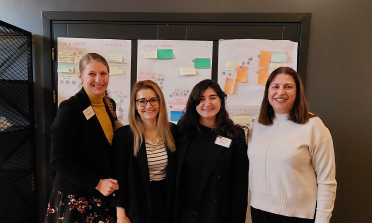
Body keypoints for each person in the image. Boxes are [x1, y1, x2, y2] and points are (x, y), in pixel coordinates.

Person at [248, 67, 337, 223]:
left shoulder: (313, 126)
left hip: (297, 215)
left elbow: (326, 181)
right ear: (267, 91)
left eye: (288, 87)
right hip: (259, 211)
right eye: (275, 86)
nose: (280, 92)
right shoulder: (258, 126)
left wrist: (323, 220)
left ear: (298, 92)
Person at [44, 53, 120, 223]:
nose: (98, 79)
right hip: (77, 198)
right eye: (92, 74)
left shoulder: (110, 104)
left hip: (103, 194)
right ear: (81, 76)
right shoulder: (70, 108)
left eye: (103, 73)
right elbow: (58, 159)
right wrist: (97, 183)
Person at [175, 79, 248, 223]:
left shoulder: (234, 136)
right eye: (201, 99)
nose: (207, 104)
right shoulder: (182, 132)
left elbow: (239, 187)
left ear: (221, 100)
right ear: (194, 104)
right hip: (186, 214)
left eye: (212, 98)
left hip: (218, 215)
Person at [112, 80, 177, 223]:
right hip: (137, 207)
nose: (149, 106)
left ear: (160, 103)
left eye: (153, 100)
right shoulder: (124, 136)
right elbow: (119, 177)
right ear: (135, 105)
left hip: (167, 206)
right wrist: (121, 214)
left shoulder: (173, 131)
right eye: (142, 101)